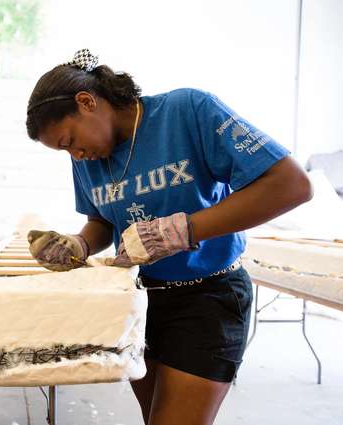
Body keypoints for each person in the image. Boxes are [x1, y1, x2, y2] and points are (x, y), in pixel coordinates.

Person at [25, 49, 313, 425]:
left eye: (69, 141)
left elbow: (292, 185)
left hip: (209, 295)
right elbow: (102, 221)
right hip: (145, 299)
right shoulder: (90, 158)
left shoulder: (188, 111)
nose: (77, 156)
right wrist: (78, 244)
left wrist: (184, 229)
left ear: (86, 102)